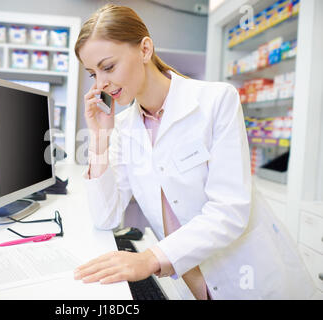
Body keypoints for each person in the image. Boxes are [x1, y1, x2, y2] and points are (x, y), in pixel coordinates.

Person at [73, 4, 315, 300]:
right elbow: (106, 218)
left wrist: (149, 259)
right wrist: (99, 140)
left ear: (145, 49)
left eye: (108, 67)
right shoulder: (123, 128)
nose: (101, 84)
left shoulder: (216, 102)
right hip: (189, 283)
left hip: (248, 277)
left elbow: (229, 210)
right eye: (92, 74)